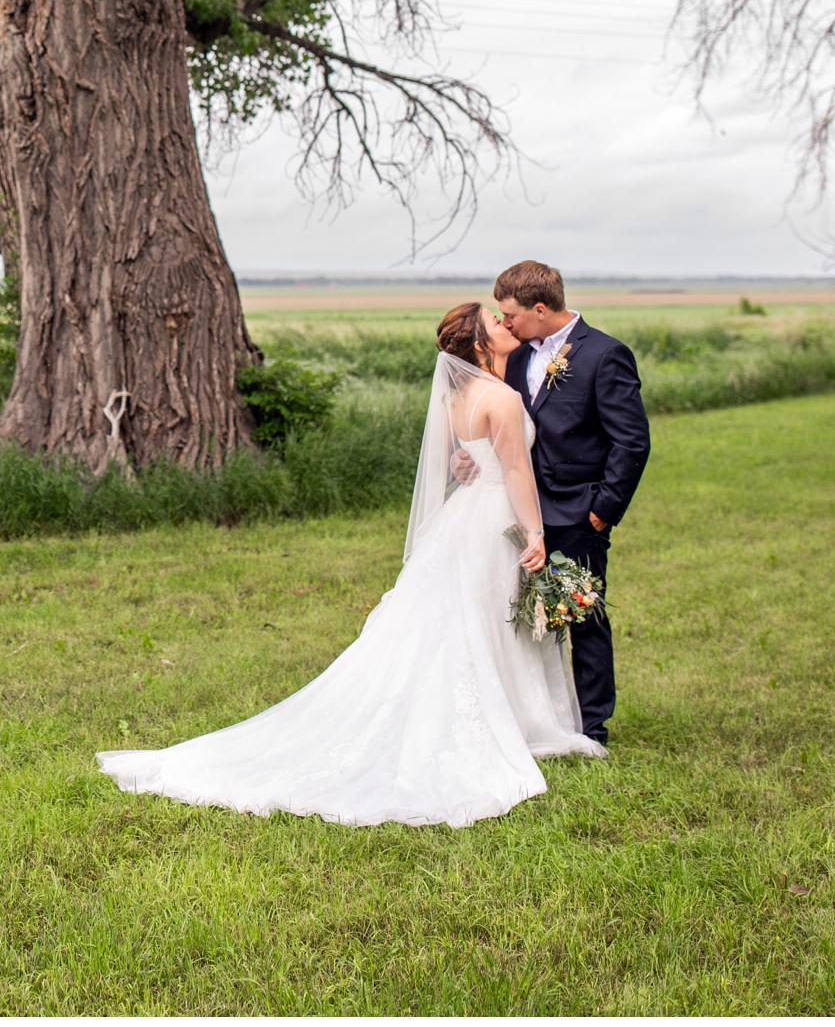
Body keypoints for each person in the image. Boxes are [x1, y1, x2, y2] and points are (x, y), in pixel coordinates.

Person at [95, 302, 605, 830]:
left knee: (467, 620)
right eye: (496, 322)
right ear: (479, 344)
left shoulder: (459, 399)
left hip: (465, 519)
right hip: (493, 517)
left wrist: (467, 462)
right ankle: (501, 721)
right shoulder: (499, 396)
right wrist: (536, 534)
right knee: (482, 620)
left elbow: (468, 458)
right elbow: (517, 472)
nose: (506, 324)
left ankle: (508, 717)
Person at [483, 260, 650, 746]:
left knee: (585, 616)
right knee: (523, 616)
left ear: (540, 308)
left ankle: (593, 725)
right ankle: (540, 716)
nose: (505, 323)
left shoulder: (605, 355)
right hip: (520, 511)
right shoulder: (513, 356)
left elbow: (631, 443)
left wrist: (602, 509)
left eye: (510, 314)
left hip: (579, 509)